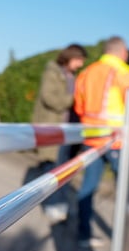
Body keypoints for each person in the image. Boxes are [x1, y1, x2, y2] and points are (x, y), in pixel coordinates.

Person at [74, 36, 129, 248]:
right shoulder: (124, 72)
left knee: (88, 187)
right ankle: (128, 238)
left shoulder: (86, 72)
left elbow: (79, 108)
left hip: (91, 137)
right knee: (127, 189)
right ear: (122, 52)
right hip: (117, 140)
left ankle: (84, 234)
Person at [31, 43, 88, 223]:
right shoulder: (52, 72)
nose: (80, 65)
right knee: (52, 171)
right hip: (53, 131)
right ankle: (52, 206)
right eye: (79, 60)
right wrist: (74, 98)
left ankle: (61, 205)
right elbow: (50, 99)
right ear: (71, 57)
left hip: (66, 132)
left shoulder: (72, 75)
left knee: (64, 171)